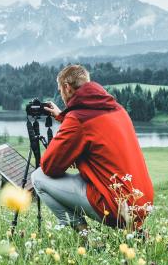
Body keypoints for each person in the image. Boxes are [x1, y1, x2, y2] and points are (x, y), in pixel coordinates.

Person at [31, 64, 154, 232]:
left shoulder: (77, 120)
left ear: (67, 87)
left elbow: (49, 167)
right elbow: (96, 133)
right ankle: (134, 232)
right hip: (142, 202)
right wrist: (63, 117)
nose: (61, 94)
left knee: (38, 177)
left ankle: (85, 236)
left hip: (115, 207)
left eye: (60, 90)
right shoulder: (117, 109)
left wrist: (69, 146)